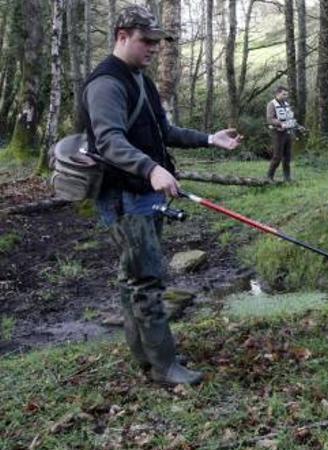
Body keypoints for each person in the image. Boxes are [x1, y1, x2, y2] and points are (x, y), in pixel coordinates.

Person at [82, 5, 242, 385]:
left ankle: (147, 356)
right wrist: (151, 169)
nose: (154, 48)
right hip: (124, 196)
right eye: (146, 40)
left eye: (157, 41)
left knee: (133, 277)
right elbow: (108, 142)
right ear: (122, 35)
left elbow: (162, 131)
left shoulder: (140, 78)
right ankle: (166, 366)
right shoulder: (106, 83)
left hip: (144, 195)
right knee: (146, 281)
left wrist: (208, 139)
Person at [265, 86, 297, 182]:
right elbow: (270, 119)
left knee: (287, 156)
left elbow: (289, 116)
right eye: (284, 94)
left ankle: (287, 178)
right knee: (277, 156)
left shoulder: (286, 104)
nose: (286, 96)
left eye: (286, 94)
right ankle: (269, 177)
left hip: (288, 132)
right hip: (277, 133)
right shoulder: (271, 104)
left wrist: (293, 123)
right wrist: (280, 123)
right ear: (277, 94)